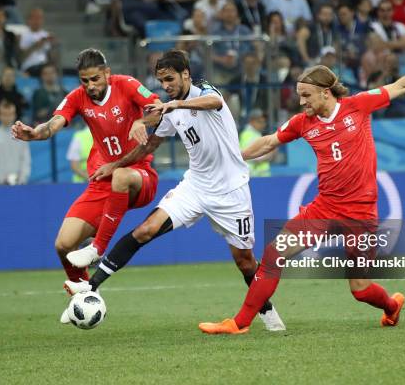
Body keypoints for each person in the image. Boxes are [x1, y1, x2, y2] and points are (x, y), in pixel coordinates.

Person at [198, 42, 405, 335]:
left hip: (361, 215)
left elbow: (402, 85)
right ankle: (239, 323)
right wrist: (234, 158)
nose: (301, 102)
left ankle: (391, 307)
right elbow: (270, 141)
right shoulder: (303, 123)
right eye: (300, 96)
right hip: (324, 208)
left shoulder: (359, 106)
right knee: (275, 254)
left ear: (325, 92)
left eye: (306, 95)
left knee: (360, 289)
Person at [63, 49, 286, 332]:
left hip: (231, 191)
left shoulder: (204, 91)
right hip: (194, 186)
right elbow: (150, 146)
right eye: (161, 81)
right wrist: (115, 165)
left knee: (244, 261)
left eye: (170, 79)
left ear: (185, 75)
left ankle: (267, 313)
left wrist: (175, 105)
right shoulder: (171, 110)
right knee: (145, 230)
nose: (165, 86)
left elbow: (215, 101)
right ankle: (89, 286)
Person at [11, 49, 161, 321]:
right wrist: (35, 133)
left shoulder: (126, 85)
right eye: (84, 81)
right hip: (104, 180)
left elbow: (158, 108)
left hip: (140, 174)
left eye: (95, 79)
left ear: (106, 73)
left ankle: (97, 249)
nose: (90, 86)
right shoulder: (78, 97)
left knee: (121, 176)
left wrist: (141, 119)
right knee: (63, 245)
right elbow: (55, 122)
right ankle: (85, 296)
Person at [0, 98, 31, 185]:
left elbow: (25, 158)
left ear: (14, 115)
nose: (7, 117)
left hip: (20, 183)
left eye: (10, 114)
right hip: (0, 185)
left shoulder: (22, 135)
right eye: (4, 114)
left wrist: (22, 178)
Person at [239, 109, 274, 177]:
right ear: (252, 121)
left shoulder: (256, 134)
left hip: (260, 175)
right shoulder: (247, 134)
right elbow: (247, 155)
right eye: (259, 122)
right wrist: (268, 155)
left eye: (264, 122)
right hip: (254, 175)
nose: (263, 124)